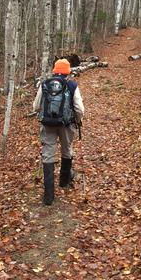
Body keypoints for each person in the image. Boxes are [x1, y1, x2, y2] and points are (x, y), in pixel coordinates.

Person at [33, 58, 85, 205]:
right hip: (66, 124)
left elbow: (36, 106)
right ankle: (64, 181)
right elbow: (80, 109)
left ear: (55, 71)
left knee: (48, 153)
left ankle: (48, 195)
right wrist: (78, 119)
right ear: (68, 72)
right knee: (67, 150)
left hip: (48, 124)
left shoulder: (45, 84)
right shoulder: (72, 85)